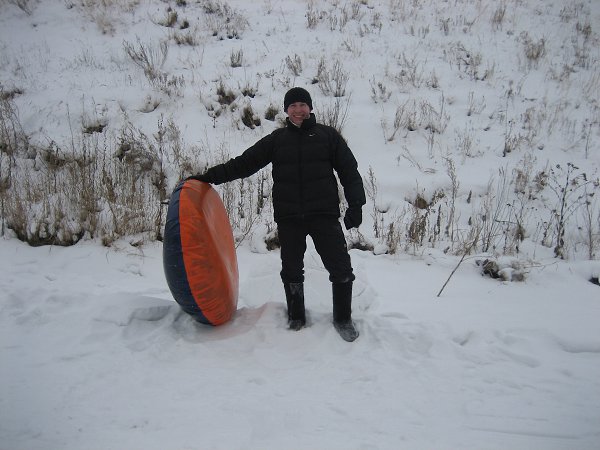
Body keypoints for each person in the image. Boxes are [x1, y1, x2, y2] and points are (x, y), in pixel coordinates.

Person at [188, 87, 366, 341]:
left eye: (302, 104)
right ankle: (296, 317)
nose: (298, 110)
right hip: (289, 217)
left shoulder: (327, 136)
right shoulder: (277, 140)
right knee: (291, 269)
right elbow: (244, 163)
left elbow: (349, 171)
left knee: (341, 267)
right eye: (293, 105)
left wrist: (356, 204)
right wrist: (209, 177)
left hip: (323, 214)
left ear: (310, 107)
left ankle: (343, 319)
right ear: (286, 110)